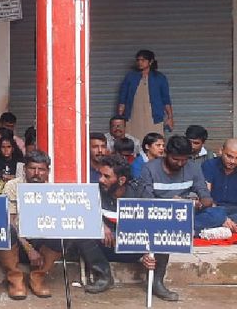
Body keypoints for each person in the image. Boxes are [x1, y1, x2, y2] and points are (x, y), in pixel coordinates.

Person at [0, 151, 63, 299]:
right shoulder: (13, 186)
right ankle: (15, 279)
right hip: (17, 243)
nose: (36, 173)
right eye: (32, 168)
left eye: (41, 169)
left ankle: (39, 276)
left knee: (63, 231)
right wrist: (28, 248)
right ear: (25, 169)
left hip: (40, 242)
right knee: (4, 229)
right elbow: (10, 221)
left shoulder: (53, 190)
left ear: (48, 171)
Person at [88, 155, 153, 295]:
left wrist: (150, 252)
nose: (101, 179)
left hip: (133, 249)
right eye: (100, 175)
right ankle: (104, 276)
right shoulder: (95, 191)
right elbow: (83, 214)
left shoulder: (140, 193)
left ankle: (156, 283)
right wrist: (99, 225)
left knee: (168, 234)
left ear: (121, 180)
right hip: (104, 248)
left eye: (106, 176)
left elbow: (152, 225)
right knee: (82, 233)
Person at [141, 135, 226, 234]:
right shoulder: (149, 168)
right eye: (175, 159)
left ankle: (175, 229)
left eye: (184, 160)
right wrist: (170, 203)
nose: (180, 164)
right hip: (159, 214)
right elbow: (146, 202)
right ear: (166, 153)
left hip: (186, 213)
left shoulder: (194, 168)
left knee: (219, 214)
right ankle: (187, 230)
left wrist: (198, 204)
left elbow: (206, 197)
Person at [117, 49, 173, 139]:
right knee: (132, 140)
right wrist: (119, 118)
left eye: (143, 60)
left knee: (154, 141)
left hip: (154, 117)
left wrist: (170, 118)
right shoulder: (130, 76)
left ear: (150, 62)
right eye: (138, 60)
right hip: (133, 116)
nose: (140, 62)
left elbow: (166, 99)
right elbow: (123, 98)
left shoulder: (159, 77)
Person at [202, 139, 237, 233]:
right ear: (221, 151)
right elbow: (206, 196)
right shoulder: (209, 165)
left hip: (235, 211)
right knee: (201, 216)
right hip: (214, 209)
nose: (233, 161)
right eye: (229, 156)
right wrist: (222, 218)